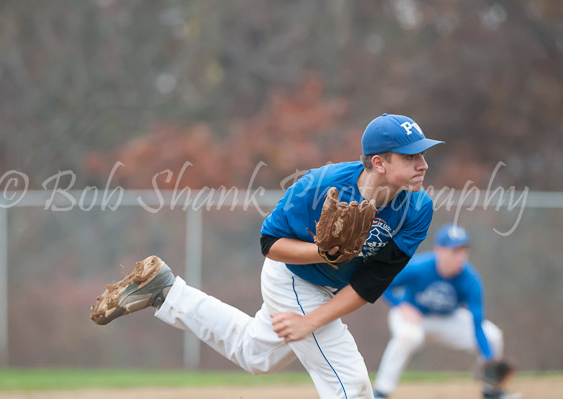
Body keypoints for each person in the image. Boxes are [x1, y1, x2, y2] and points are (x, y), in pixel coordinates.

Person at [90, 113, 443, 399]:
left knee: (256, 355)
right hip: (293, 276)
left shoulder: (417, 209)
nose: (423, 164)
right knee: (351, 386)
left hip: (329, 290)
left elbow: (371, 283)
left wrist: (313, 319)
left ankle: (167, 293)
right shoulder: (321, 185)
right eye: (411, 156)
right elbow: (269, 243)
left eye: (423, 154)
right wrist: (321, 253)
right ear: (379, 162)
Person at [373, 223, 521, 399]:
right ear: (439, 250)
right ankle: (381, 391)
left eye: (463, 251)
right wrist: (400, 305)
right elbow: (384, 282)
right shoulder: (420, 266)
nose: (461, 257)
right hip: (413, 316)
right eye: (454, 251)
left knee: (493, 336)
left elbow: (477, 323)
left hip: (447, 319)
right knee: (408, 337)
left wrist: (489, 358)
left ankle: (491, 391)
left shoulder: (470, 280)